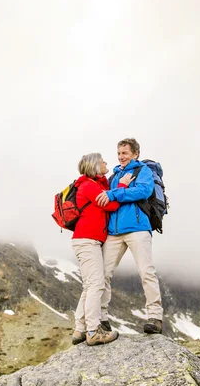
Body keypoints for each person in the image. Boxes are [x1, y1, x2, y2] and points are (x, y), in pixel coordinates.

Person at [96, 138, 164, 334]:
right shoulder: (115, 175)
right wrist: (117, 191)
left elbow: (144, 191)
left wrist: (115, 194)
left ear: (135, 154)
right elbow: (106, 198)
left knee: (146, 271)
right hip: (114, 232)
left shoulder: (142, 171)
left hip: (137, 228)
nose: (120, 157)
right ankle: (102, 317)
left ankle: (155, 317)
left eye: (124, 153)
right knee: (103, 273)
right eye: (118, 153)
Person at [70, 152, 129, 346]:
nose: (106, 163)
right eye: (102, 161)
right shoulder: (89, 186)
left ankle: (80, 329)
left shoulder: (94, 184)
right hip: (87, 241)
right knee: (96, 285)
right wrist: (122, 186)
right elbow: (111, 205)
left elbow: (106, 192)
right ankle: (93, 331)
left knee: (90, 286)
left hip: (87, 240)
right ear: (95, 166)